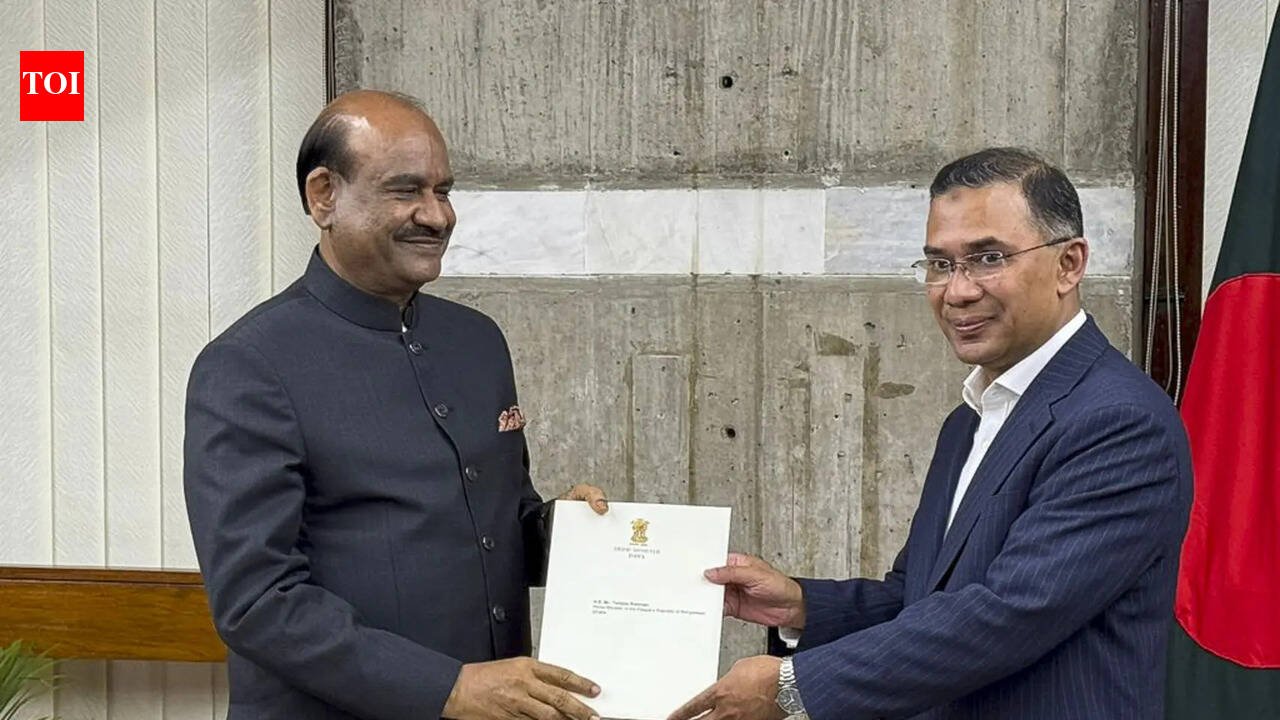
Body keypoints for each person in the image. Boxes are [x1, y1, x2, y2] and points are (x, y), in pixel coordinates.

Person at [668, 148, 1193, 720]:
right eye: (940, 264)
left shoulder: (1119, 422)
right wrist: (800, 604)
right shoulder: (971, 417)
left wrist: (794, 688)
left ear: (1069, 264)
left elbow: (1007, 615)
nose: (957, 291)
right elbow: (919, 598)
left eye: (988, 258)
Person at [184, 89, 608, 720]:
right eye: (406, 190)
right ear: (323, 196)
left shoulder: (477, 341)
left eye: (444, 191)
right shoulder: (248, 365)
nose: (436, 216)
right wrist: (447, 688)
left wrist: (565, 533)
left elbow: (494, 528)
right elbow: (259, 600)